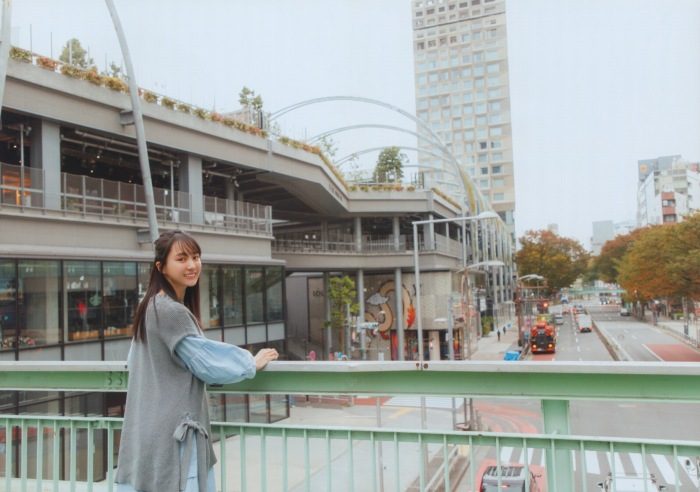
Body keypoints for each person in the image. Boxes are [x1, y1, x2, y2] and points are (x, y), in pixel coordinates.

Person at [115, 230, 278, 492]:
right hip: (174, 434)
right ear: (161, 267)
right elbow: (206, 363)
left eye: (195, 257)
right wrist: (250, 362)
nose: (192, 265)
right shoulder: (170, 311)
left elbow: (135, 361)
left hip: (148, 430)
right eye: (181, 259)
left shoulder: (151, 305)